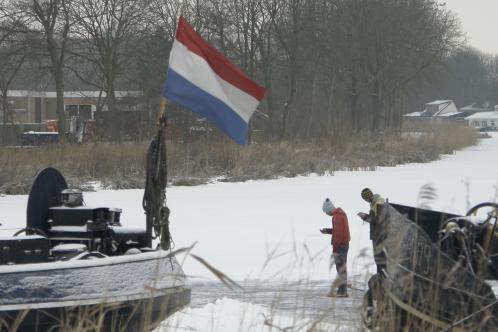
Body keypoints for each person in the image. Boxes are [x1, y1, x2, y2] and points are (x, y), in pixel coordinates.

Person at [321, 198, 351, 297]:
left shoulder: (336, 217)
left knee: (341, 268)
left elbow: (338, 234)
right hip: (344, 244)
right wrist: (328, 231)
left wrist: (335, 248)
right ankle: (342, 289)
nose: (326, 214)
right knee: (341, 267)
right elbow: (338, 230)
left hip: (340, 246)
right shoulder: (340, 214)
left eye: (326, 212)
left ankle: (342, 291)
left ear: (329, 209)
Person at [357, 188, 386, 274]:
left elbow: (379, 220)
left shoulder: (379, 203)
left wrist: (365, 216)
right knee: (378, 259)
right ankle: (380, 278)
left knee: (380, 259)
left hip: (379, 236)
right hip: (377, 235)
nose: (366, 201)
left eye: (365, 199)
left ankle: (381, 279)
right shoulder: (374, 203)